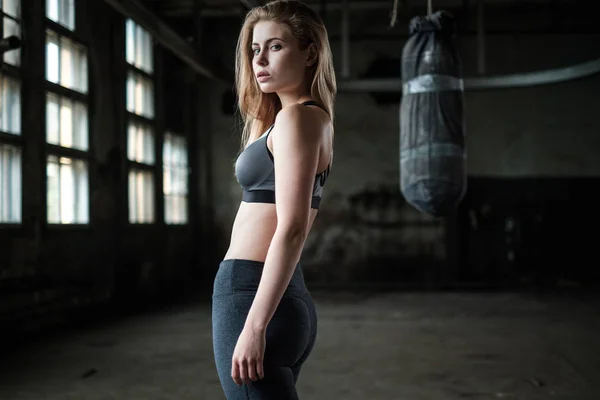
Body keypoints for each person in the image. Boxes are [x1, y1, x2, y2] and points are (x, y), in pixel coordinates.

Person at [211, 1, 336, 398]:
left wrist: (254, 326)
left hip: (253, 293)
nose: (260, 59)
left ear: (310, 52)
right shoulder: (290, 118)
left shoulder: (299, 118)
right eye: (254, 48)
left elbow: (293, 227)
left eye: (276, 46)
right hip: (276, 290)